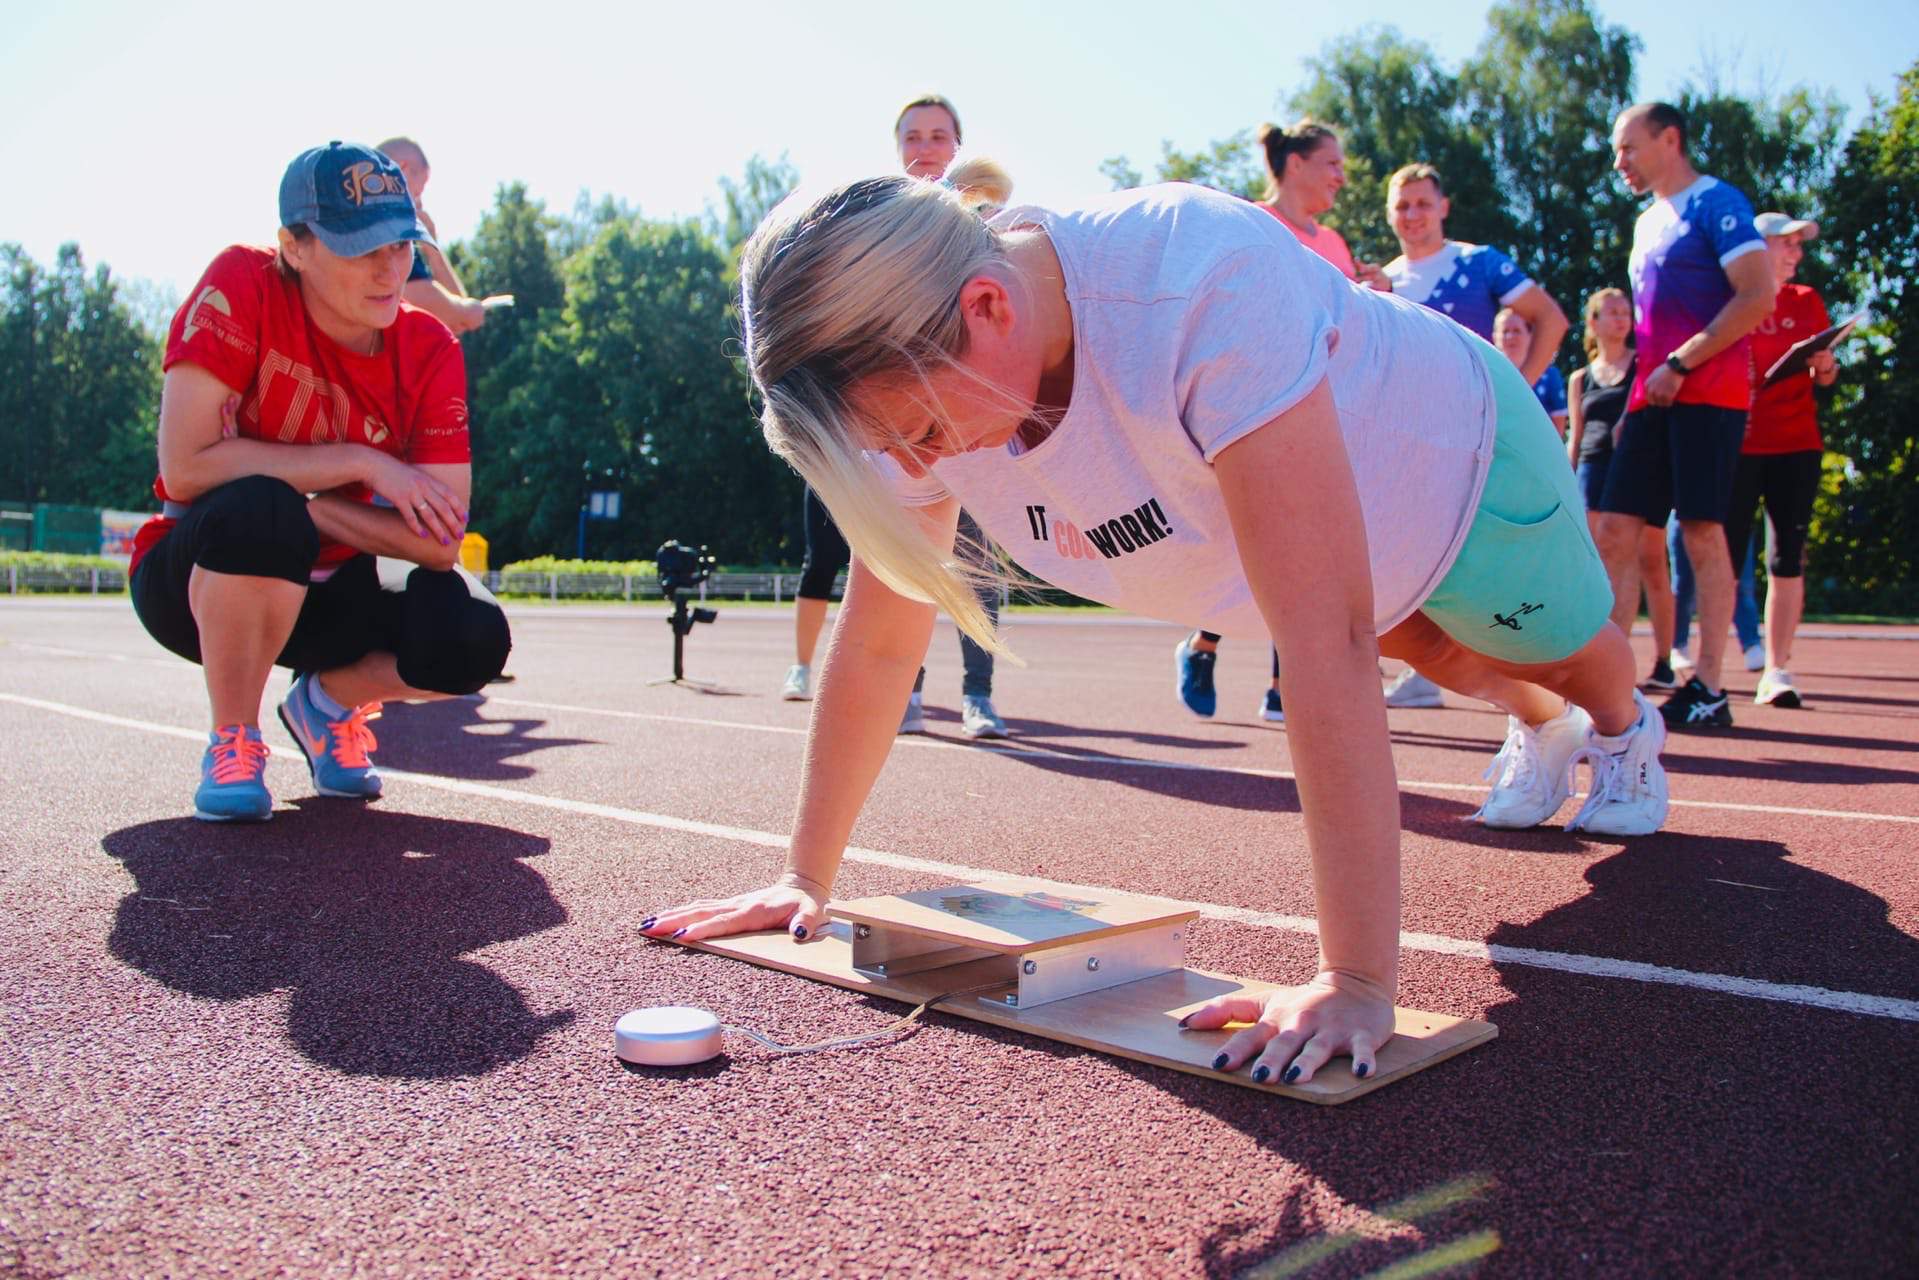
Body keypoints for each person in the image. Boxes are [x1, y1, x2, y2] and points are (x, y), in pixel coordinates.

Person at [644, 174, 1669, 1086]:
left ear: (988, 305)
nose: (921, 462)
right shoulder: (905, 368)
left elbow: (1320, 645)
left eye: (919, 433)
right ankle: (1541, 726)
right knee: (1439, 652)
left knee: (1556, 649)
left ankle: (1619, 730)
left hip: (1453, 457)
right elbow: (875, 643)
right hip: (1332, 549)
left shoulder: (1192, 281)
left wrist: (1354, 977)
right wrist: (802, 877)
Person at [128, 142, 512, 821]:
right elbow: (184, 470)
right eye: (361, 248)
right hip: (200, 576)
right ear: (294, 246)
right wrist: (360, 464)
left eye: (400, 245)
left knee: (470, 631)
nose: (390, 269)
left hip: (332, 589)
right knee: (260, 511)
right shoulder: (241, 284)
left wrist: (321, 513)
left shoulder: (428, 348)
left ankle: (326, 702)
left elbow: (438, 543)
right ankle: (234, 737)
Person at [784, 94, 1010, 741]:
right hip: (897, 421)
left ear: (957, 148)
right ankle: (904, 693)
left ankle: (978, 695)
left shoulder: (987, 221)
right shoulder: (879, 223)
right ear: (897, 148)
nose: (925, 146)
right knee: (898, 560)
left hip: (971, 420)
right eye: (913, 135)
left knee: (974, 564)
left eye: (938, 135)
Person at [1174, 120, 1390, 725]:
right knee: (1251, 544)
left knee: (1312, 544)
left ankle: (1281, 686)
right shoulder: (1250, 223)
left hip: (1324, 406)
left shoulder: (1337, 242)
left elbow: (1346, 318)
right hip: (1248, 404)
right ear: (1295, 164)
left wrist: (1374, 292)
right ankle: (1203, 645)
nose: (1343, 176)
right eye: (1332, 163)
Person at [1593, 103, 1775, 731]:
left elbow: (1757, 294)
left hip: (1709, 394)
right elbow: (1652, 320)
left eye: (1628, 148)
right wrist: (1639, 395)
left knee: (1700, 530)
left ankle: (1711, 685)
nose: (1619, 162)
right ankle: (1605, 679)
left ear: (1670, 140)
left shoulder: (1717, 202)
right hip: (1653, 396)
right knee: (1614, 529)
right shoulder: (1647, 223)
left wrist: (1681, 362)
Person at [1730, 211, 1841, 708]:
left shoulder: (1807, 300)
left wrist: (1825, 365)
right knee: (1720, 558)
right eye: (1787, 244)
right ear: (1760, 247)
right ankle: (1697, 661)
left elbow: (1827, 377)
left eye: (1799, 245)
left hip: (1796, 444)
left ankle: (1776, 669)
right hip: (1736, 443)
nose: (1796, 253)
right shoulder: (1733, 296)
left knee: (1785, 557)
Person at [1568, 288, 1682, 690]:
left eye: (1625, 312)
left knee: (1650, 559)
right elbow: (1575, 437)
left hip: (1637, 464)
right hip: (1593, 469)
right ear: (1593, 322)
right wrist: (1567, 476)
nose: (1620, 319)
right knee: (1603, 561)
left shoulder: (1644, 364)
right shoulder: (1581, 377)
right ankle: (1610, 661)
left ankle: (1665, 660)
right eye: (1610, 312)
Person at [375, 137, 508, 335]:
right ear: (401, 170)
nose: (419, 204)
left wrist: (432, 249)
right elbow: (450, 314)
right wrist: (466, 310)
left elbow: (454, 319)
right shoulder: (385, 224)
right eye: (418, 192)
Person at [1493, 307, 1568, 435]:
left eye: (1517, 331)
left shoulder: (1550, 375)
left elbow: (1558, 425)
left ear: (1530, 335)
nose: (1510, 336)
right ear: (1494, 337)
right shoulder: (1488, 374)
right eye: (1505, 331)